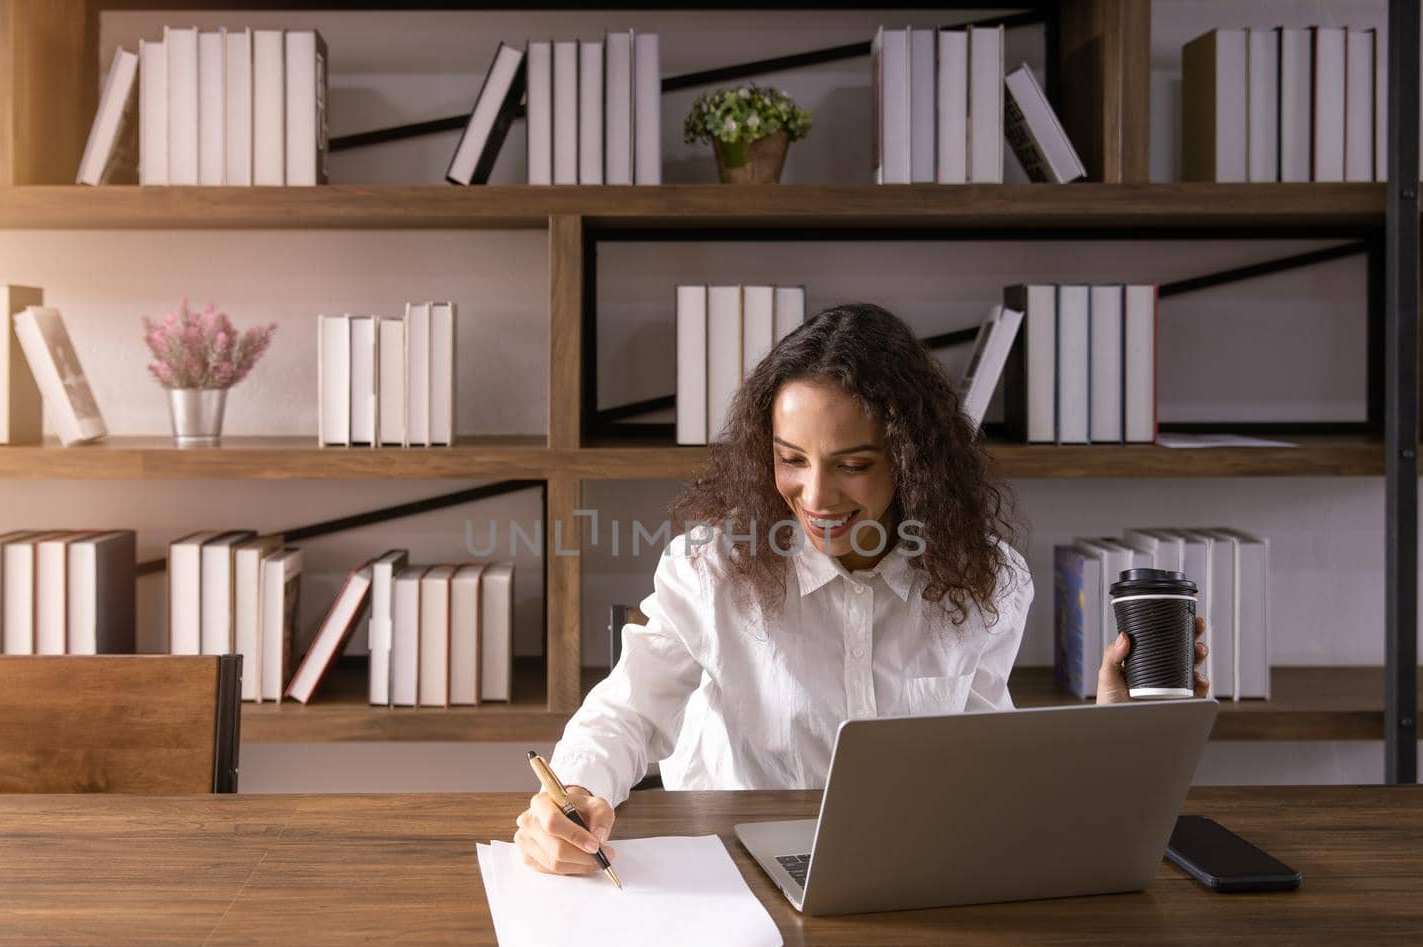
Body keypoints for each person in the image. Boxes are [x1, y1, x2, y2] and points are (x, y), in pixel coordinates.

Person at [514, 303, 1208, 876]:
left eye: (852, 464)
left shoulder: (988, 581)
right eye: (791, 460)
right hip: (735, 875)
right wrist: (575, 790)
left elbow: (987, 768)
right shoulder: (712, 568)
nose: (815, 496)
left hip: (911, 877)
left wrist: (1116, 731)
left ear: (911, 461)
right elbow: (629, 710)